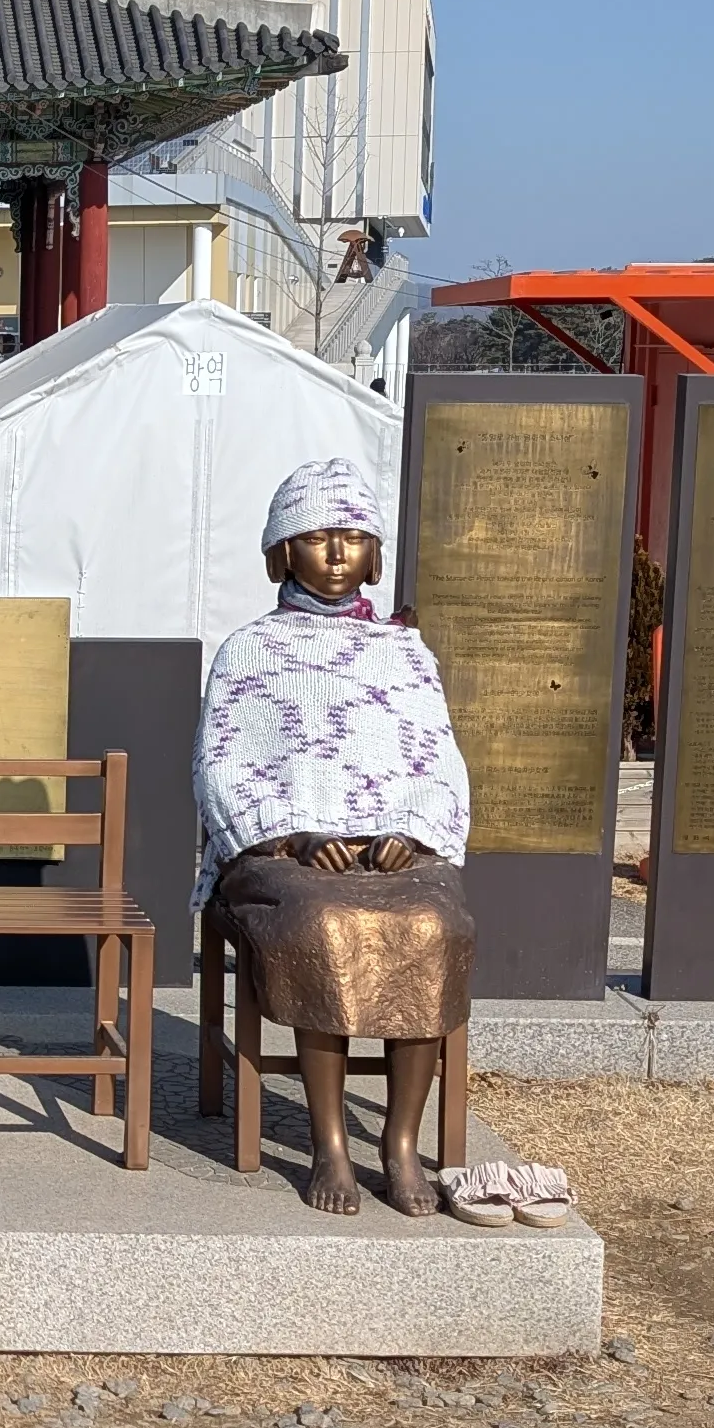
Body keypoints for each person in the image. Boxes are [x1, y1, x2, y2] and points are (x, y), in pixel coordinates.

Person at [195, 457, 479, 1215]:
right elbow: (221, 765)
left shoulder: (406, 653)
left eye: (352, 538)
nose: (335, 554)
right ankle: (329, 1145)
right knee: (323, 923)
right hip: (281, 857)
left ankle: (400, 1143)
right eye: (317, 538)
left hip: (394, 855)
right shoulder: (248, 651)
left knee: (432, 923)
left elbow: (440, 761)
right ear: (282, 552)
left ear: (374, 554)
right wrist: (293, 834)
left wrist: (410, 831)